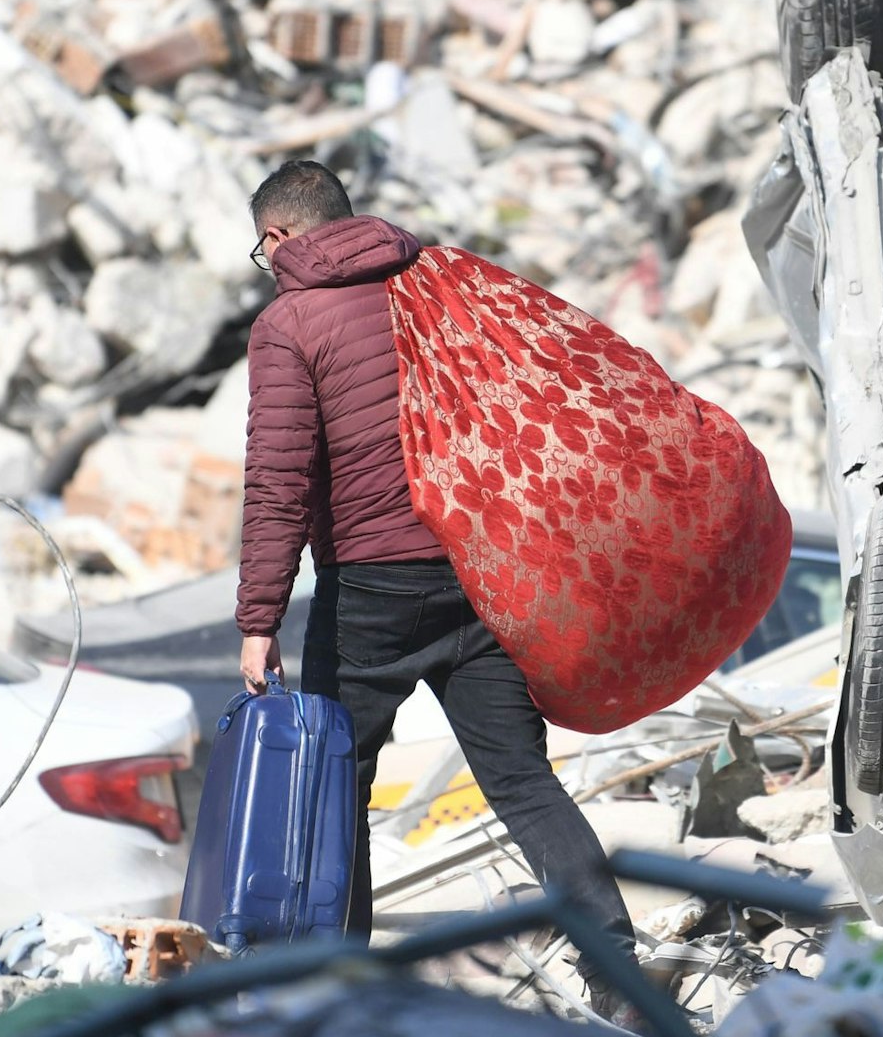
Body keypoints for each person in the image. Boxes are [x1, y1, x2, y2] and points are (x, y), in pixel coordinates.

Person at [233, 160, 636, 994]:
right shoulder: (433, 281)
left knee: (335, 792)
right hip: (474, 571)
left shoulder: (290, 323)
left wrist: (258, 617)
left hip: (369, 593)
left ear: (278, 238)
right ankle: (620, 978)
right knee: (523, 783)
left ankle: (335, 988)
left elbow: (280, 479)